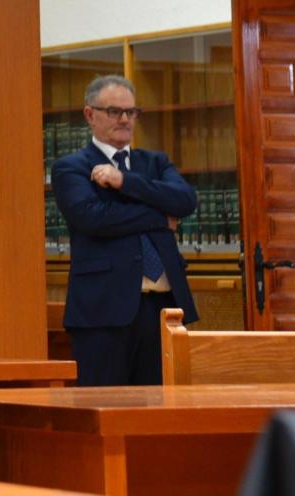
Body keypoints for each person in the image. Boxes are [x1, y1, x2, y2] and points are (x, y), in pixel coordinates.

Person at [51, 74, 197, 386]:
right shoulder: (71, 167)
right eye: (115, 111)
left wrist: (124, 181)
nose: (125, 119)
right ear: (90, 114)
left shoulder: (154, 163)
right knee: (106, 408)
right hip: (103, 309)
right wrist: (160, 219)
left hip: (165, 308)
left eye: (131, 112)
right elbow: (94, 218)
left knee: (163, 409)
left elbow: (185, 200)